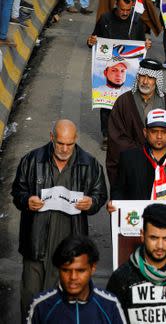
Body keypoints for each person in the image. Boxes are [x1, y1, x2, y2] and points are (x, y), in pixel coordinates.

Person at [11, 120, 108, 318]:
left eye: (69, 144)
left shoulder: (89, 165)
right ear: (51, 137)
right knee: (31, 298)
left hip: (70, 246)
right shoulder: (32, 160)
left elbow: (100, 195)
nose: (64, 149)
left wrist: (91, 203)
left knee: (63, 303)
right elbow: (17, 191)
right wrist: (26, 200)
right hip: (36, 244)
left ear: (75, 140)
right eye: (60, 143)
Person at [106, 59, 166, 185]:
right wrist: (145, 155)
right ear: (138, 77)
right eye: (142, 76)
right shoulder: (123, 102)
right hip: (134, 171)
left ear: (157, 80)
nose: (145, 81)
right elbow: (116, 139)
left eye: (150, 78)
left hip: (164, 170)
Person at [87, 0, 152, 148]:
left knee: (129, 104)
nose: (124, 13)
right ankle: (107, 136)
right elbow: (94, 40)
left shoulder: (137, 21)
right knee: (106, 104)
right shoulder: (105, 19)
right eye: (122, 9)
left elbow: (141, 46)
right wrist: (90, 41)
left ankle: (126, 134)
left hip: (128, 71)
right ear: (116, 5)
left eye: (127, 10)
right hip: (109, 68)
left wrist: (146, 45)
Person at [108, 109, 166, 210]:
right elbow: (118, 190)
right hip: (138, 221)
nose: (159, 136)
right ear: (145, 132)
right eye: (154, 131)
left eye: (164, 131)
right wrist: (114, 203)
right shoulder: (128, 158)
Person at [25, 235, 125, 324]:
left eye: (80, 270)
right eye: (66, 270)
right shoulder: (41, 306)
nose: (73, 277)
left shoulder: (110, 305)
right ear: (58, 269)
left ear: (93, 268)